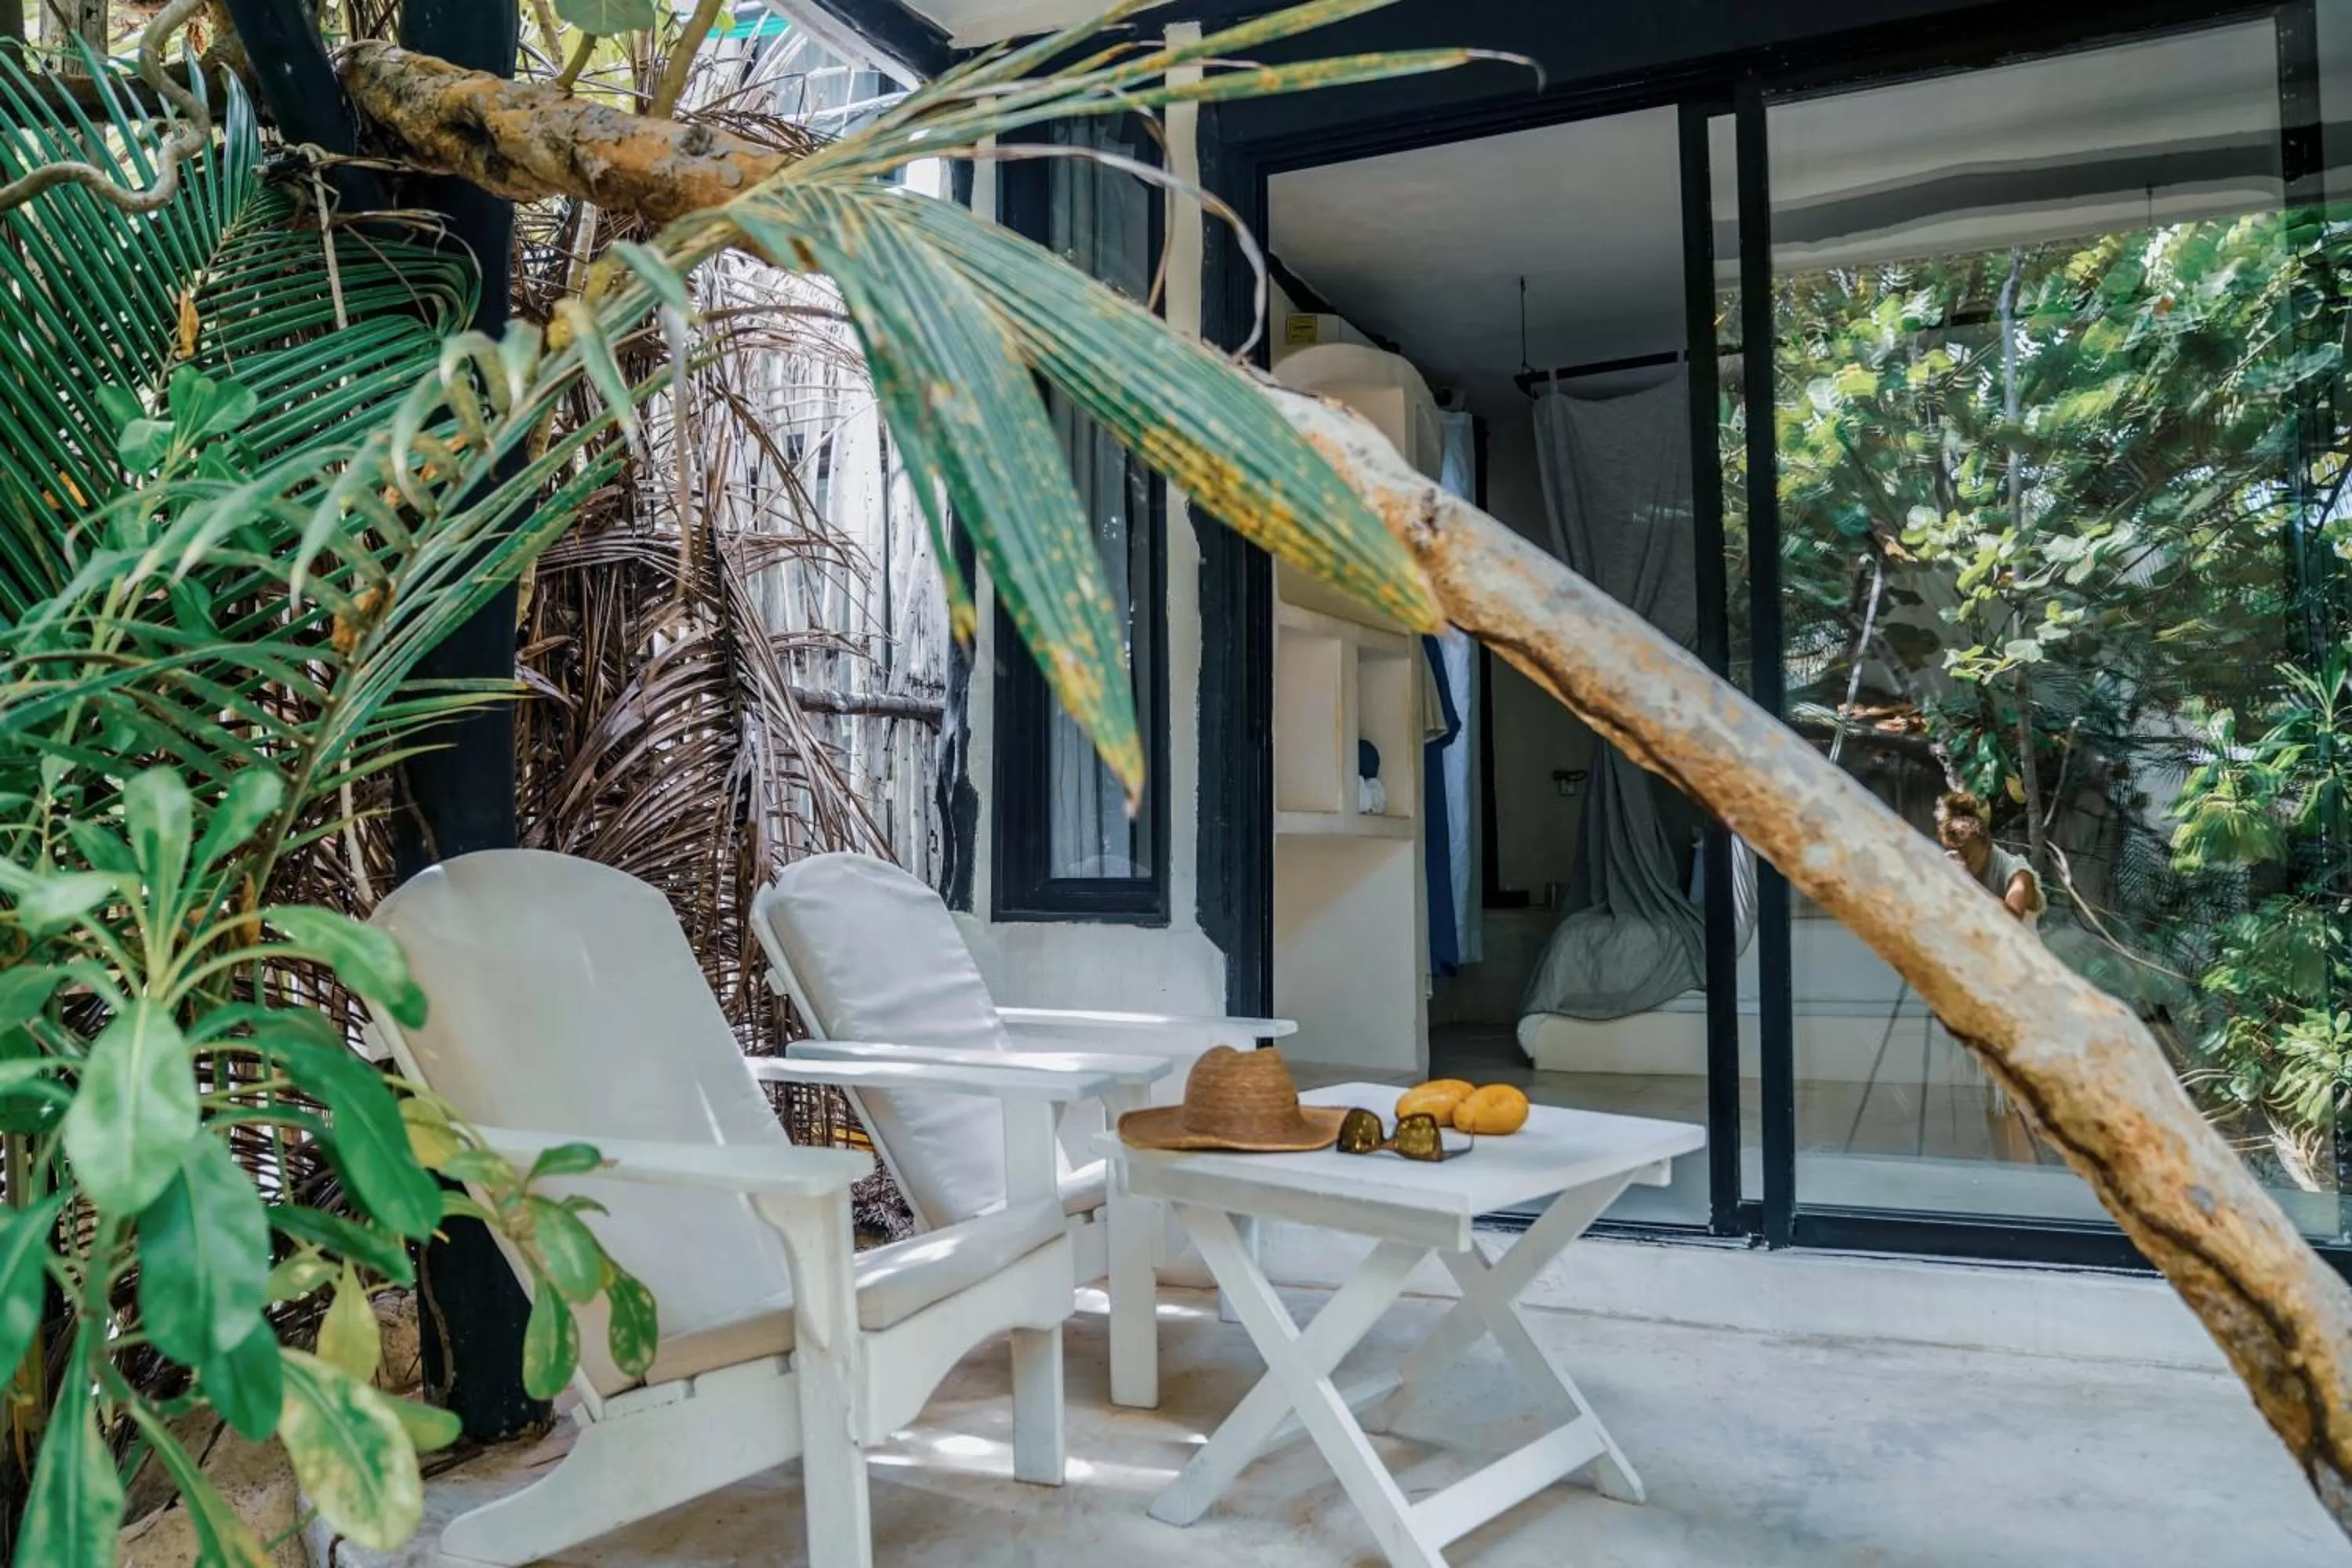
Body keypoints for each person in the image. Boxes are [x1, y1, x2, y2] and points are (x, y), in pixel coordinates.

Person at [1935, 791, 2045, 929]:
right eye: (1953, 855)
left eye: (1967, 857)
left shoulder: (2019, 876)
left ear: (1987, 845)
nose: (1960, 863)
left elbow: (2011, 925)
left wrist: (1969, 886)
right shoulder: (1949, 866)